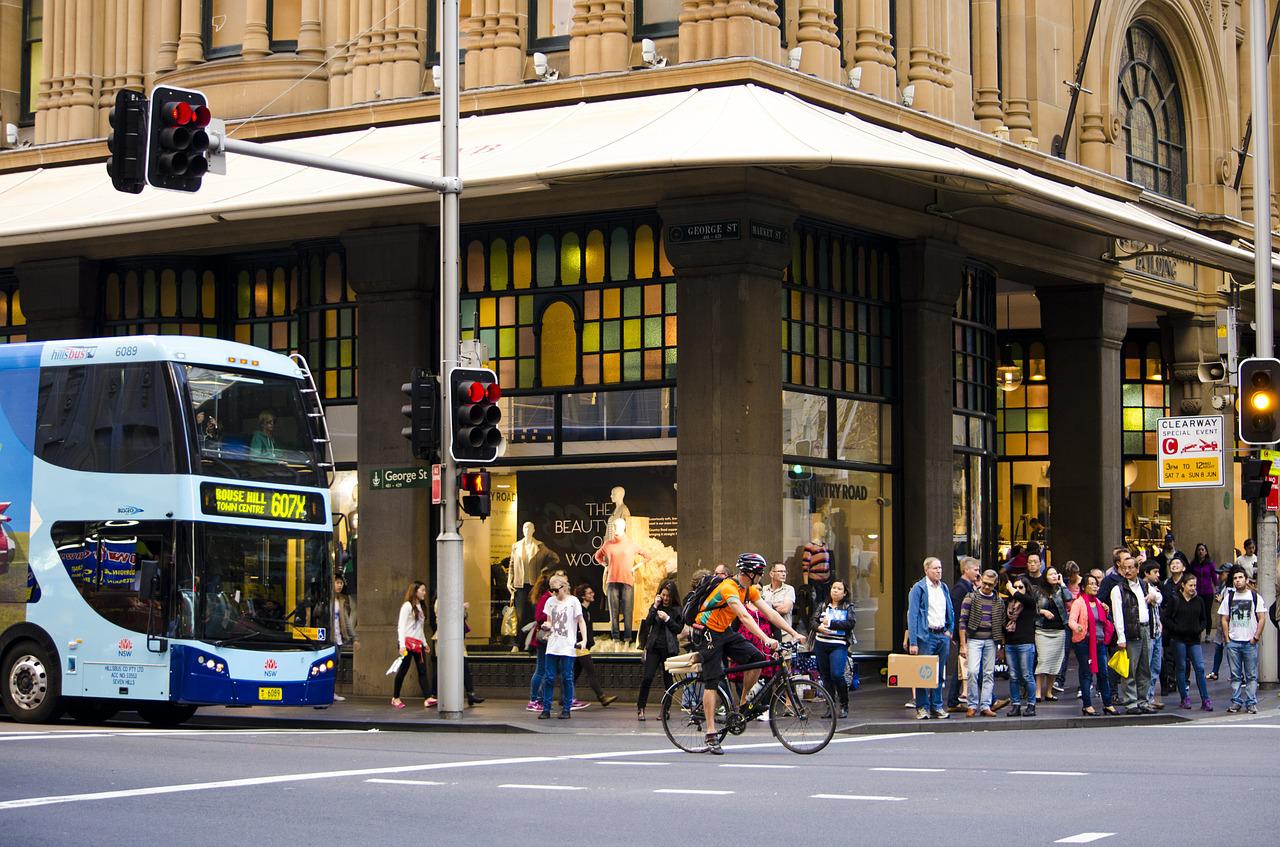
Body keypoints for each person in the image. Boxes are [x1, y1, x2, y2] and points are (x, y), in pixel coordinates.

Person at [692, 553, 802, 754]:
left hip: (724, 631)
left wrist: (794, 633)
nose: (761, 576)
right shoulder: (728, 588)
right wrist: (765, 639)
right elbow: (744, 616)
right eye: (760, 572)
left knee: (758, 659)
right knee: (712, 680)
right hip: (707, 631)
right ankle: (710, 733)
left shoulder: (748, 590)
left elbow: (769, 613)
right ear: (750, 573)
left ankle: (743, 703)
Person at [1110, 555, 1159, 714]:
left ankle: (1143, 701)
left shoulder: (1145, 585)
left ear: (1138, 569)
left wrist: (1153, 597)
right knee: (1130, 670)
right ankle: (1131, 703)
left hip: (1146, 629)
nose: (1127, 570)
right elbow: (1118, 615)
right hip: (1131, 631)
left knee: (1145, 668)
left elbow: (1159, 597)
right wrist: (1121, 637)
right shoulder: (1118, 589)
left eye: (1131, 567)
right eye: (1124, 568)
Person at [907, 557, 954, 720]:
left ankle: (937, 706)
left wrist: (950, 629)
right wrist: (913, 642)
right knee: (923, 674)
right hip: (926, 636)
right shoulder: (919, 588)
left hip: (942, 635)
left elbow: (950, 609)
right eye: (935, 568)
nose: (939, 571)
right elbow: (912, 616)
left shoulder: (944, 587)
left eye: (940, 568)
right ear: (926, 570)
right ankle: (922, 707)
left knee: (939, 673)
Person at [539, 574, 588, 719]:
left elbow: (581, 621)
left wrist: (584, 640)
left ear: (564, 587)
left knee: (567, 678)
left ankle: (567, 709)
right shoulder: (550, 602)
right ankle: (546, 708)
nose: (554, 593)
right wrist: (546, 627)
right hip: (553, 644)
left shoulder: (573, 601)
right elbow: (549, 621)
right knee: (549, 677)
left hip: (567, 645)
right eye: (552, 590)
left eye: (556, 590)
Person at [1218, 566, 1265, 714]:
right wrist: (1227, 638)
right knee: (1235, 675)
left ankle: (1251, 702)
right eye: (1235, 579)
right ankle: (1236, 701)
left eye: (1240, 578)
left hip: (1249, 642)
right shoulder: (1229, 598)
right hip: (1234, 642)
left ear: (1246, 579)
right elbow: (1224, 619)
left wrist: (1256, 637)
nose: (1238, 581)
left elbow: (1262, 618)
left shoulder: (1255, 597)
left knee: (1251, 675)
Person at [958, 568, 1005, 717]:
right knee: (972, 671)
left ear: (995, 584)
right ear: (981, 580)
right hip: (974, 639)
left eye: (990, 584)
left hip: (991, 640)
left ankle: (985, 705)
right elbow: (962, 621)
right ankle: (972, 704)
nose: (986, 587)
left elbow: (1001, 625)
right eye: (984, 583)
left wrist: (1001, 646)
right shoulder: (971, 597)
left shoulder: (999, 601)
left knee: (989, 673)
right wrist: (963, 645)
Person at [1163, 572, 1212, 711]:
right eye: (1190, 585)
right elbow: (1165, 618)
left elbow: (1204, 619)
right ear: (1183, 585)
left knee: (1200, 668)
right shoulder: (1175, 599)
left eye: (1195, 585)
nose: (1193, 588)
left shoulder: (1199, 600)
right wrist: (1176, 628)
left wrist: (1199, 629)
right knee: (1181, 667)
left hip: (1194, 639)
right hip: (1178, 639)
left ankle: (1206, 699)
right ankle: (1184, 698)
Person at [1069, 573, 1115, 716]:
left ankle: (1108, 704)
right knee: (1086, 674)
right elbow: (1071, 620)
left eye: (1096, 584)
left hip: (1099, 643)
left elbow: (1103, 620)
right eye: (1091, 584)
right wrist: (1077, 627)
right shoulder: (1079, 602)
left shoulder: (1100, 603)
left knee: (1103, 673)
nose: (1095, 586)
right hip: (1084, 643)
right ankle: (1087, 705)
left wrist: (1106, 611)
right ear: (1084, 587)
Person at [636, 580, 682, 721]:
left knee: (668, 681)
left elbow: (678, 629)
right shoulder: (656, 607)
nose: (666, 598)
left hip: (669, 649)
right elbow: (648, 621)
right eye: (663, 595)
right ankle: (641, 708)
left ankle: (665, 710)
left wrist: (667, 619)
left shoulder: (677, 610)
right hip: (653, 647)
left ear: (673, 596)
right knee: (647, 678)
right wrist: (655, 606)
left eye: (668, 595)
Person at [594, 517, 642, 644]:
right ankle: (615, 638)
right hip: (612, 581)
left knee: (627, 611)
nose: (615, 529)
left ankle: (627, 638)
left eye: (618, 526)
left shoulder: (631, 544)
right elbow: (597, 556)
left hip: (627, 581)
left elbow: (647, 556)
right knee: (613, 612)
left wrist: (634, 568)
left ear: (624, 527)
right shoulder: (608, 544)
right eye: (614, 526)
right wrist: (606, 565)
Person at [811, 579, 854, 719]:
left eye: (839, 589)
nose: (835, 590)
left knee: (837, 674)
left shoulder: (848, 606)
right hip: (821, 644)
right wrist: (819, 627)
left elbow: (850, 624)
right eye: (833, 588)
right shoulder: (823, 605)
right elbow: (812, 621)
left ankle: (843, 704)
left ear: (844, 593)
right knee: (825, 677)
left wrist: (830, 623)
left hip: (838, 645)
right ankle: (829, 707)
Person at [571, 584, 617, 710]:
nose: (593, 594)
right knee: (591, 671)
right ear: (583, 596)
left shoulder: (586, 611)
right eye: (589, 593)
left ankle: (566, 697)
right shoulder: (580, 611)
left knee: (574, 674)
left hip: (583, 646)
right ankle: (602, 697)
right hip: (580, 646)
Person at [391, 581, 435, 709]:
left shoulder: (420, 606)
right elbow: (401, 627)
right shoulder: (407, 606)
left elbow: (419, 628)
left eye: (425, 590)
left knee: (422, 670)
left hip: (418, 644)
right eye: (422, 590)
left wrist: (425, 643)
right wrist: (402, 645)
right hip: (407, 644)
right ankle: (396, 697)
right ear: (415, 591)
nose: (424, 593)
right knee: (403, 670)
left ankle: (427, 698)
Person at [946, 557, 979, 712]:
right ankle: (989, 700)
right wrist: (960, 638)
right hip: (964, 634)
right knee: (970, 667)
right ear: (966, 570)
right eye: (976, 570)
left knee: (961, 667)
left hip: (964, 634)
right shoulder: (960, 589)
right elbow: (959, 614)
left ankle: (953, 700)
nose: (978, 573)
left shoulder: (968, 587)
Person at [1034, 566, 1070, 702]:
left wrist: (1063, 584)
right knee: (1043, 661)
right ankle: (1038, 692)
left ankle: (1048, 692)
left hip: (1059, 630)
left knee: (1055, 662)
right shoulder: (1038, 591)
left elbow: (1069, 597)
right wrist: (1042, 612)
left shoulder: (1060, 590)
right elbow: (1033, 608)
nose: (1054, 576)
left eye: (1056, 574)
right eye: (1051, 574)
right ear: (1045, 577)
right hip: (1043, 630)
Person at [1003, 575, 1039, 716]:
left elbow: (1022, 598)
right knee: (1013, 676)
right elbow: (1004, 623)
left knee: (1027, 675)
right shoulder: (1009, 604)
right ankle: (1016, 705)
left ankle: (1031, 705)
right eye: (1015, 586)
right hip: (1011, 644)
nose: (1017, 590)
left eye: (1020, 587)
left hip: (1026, 643)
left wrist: (1011, 588)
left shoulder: (1029, 602)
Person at [525, 568, 554, 712]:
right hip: (544, 639)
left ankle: (539, 698)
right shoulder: (546, 598)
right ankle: (534, 699)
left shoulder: (546, 597)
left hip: (546, 640)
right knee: (541, 669)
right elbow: (539, 617)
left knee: (544, 669)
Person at [1141, 561, 1166, 709]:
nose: (1158, 575)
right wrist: (1154, 595)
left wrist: (1155, 595)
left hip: (1157, 632)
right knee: (1147, 668)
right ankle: (1144, 699)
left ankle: (1150, 697)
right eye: (1155, 572)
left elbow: (1159, 598)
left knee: (1155, 667)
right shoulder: (1142, 587)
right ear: (1146, 573)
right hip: (1148, 633)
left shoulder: (1154, 588)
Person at [332, 575, 357, 701]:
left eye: (341, 583)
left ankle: (332, 691)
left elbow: (346, 620)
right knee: (331, 666)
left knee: (336, 665)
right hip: (329, 639)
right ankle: (329, 691)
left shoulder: (341, 600)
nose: (339, 585)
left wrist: (354, 637)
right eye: (337, 582)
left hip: (339, 638)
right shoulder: (327, 599)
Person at [760, 561, 796, 634]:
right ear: (771, 574)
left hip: (784, 633)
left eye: (785, 572)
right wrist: (776, 605)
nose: (784, 574)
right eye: (780, 571)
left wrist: (766, 606)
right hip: (766, 633)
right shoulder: (763, 589)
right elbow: (757, 609)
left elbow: (785, 609)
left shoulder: (789, 589)